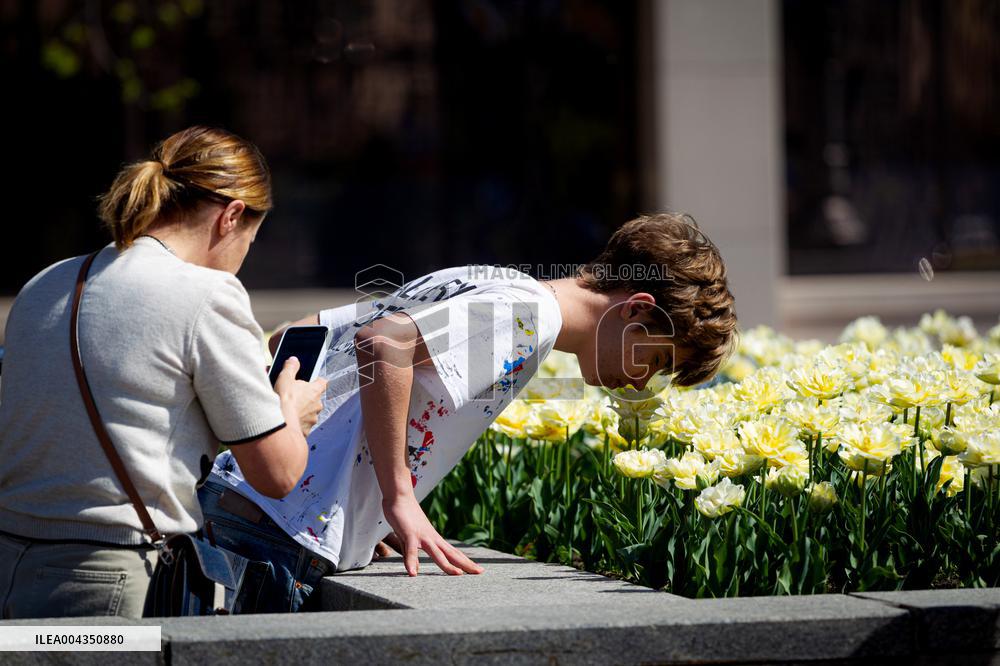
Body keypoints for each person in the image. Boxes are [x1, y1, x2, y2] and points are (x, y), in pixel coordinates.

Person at [201, 213, 737, 613]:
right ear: (638, 308)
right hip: (275, 539)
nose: (643, 378)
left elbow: (300, 335)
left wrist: (353, 496)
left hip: (243, 509)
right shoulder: (531, 315)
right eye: (658, 358)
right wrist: (396, 497)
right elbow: (384, 345)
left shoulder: (490, 280)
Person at [0, 126, 326, 619]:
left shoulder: (44, 284)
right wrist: (290, 409)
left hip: (9, 571)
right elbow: (277, 474)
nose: (242, 259)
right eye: (250, 240)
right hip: (106, 587)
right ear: (231, 216)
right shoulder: (206, 295)